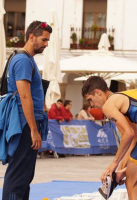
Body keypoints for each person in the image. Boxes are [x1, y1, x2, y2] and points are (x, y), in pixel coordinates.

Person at [2, 21, 52, 200]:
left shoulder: (25, 59)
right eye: (44, 40)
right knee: (19, 173)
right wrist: (33, 129)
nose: (46, 44)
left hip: (27, 121)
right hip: (24, 123)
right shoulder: (22, 60)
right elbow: (24, 97)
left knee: (24, 174)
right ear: (32, 36)